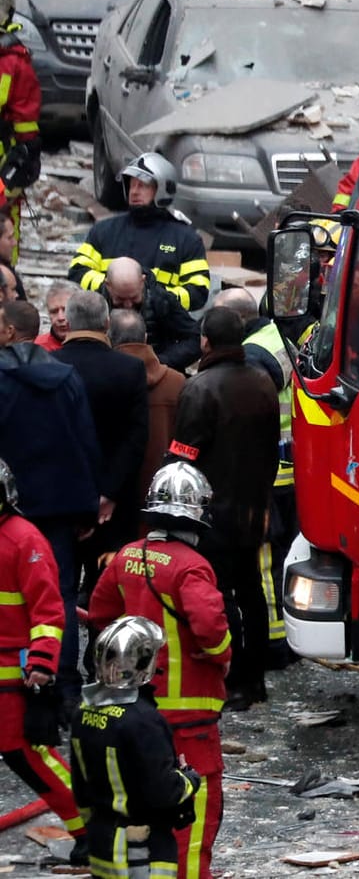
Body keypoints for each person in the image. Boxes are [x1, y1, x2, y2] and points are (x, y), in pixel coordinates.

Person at [88, 462, 231, 879]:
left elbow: (101, 615)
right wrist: (220, 656)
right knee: (195, 814)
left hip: (134, 711)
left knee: (140, 812)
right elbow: (211, 631)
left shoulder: (128, 556)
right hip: (190, 717)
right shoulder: (192, 566)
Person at [169, 308, 279, 710]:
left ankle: (231, 681)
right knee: (251, 592)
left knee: (220, 594)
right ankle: (256, 680)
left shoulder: (200, 388)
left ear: (205, 341)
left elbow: (185, 455)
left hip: (211, 510)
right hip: (253, 507)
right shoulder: (263, 382)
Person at [0, 301, 100, 710]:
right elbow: (84, 442)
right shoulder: (65, 377)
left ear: (9, 332)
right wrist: (86, 507)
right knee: (58, 596)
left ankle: (18, 686)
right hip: (59, 506)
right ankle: (66, 688)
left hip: (9, 509)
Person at [0, 458, 87, 862]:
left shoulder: (24, 540)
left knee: (31, 759)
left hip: (14, 681)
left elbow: (49, 613)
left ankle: (90, 830)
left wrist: (41, 666)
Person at [71, 616, 203, 879]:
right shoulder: (144, 721)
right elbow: (163, 791)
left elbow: (78, 782)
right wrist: (189, 779)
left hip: (102, 843)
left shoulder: (84, 710)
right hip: (143, 850)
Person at [216, 287, 296, 666]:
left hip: (266, 478)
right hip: (291, 473)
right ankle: (287, 635)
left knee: (263, 562)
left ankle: (273, 644)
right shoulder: (282, 337)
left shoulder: (254, 356)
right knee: (281, 559)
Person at [53, 289, 150, 571]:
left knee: (62, 583)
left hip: (60, 497)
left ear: (67, 324)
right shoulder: (130, 369)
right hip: (115, 504)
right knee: (110, 589)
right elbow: (136, 436)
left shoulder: (49, 366)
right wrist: (109, 493)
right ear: (107, 323)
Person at [69, 153, 212, 312]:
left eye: (142, 185)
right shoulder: (104, 230)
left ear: (163, 189)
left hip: (162, 327)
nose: (134, 192)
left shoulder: (186, 239)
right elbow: (77, 271)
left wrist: (156, 298)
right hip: (108, 323)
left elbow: (198, 292)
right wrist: (111, 289)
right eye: (132, 185)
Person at [109, 309, 187, 516]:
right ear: (145, 338)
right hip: (164, 496)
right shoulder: (177, 382)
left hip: (113, 499)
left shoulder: (106, 380)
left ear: (109, 337)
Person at [102, 256, 201, 371]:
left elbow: (195, 338)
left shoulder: (161, 301)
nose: (128, 305)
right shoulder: (96, 304)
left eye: (134, 297)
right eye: (120, 299)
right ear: (108, 286)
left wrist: (161, 361)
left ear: (142, 282)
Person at [0, 0, 42, 243]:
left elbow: (26, 128)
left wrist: (20, 163)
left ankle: (7, 281)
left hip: (3, 164)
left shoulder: (13, 62)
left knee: (3, 230)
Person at [38, 279, 73, 352]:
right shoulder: (38, 348)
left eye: (66, 310)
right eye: (54, 312)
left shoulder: (94, 345)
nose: (61, 318)